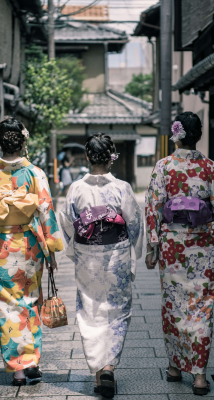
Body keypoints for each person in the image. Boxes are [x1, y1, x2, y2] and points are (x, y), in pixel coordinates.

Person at [145, 112, 214, 396]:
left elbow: (153, 208)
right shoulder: (210, 168)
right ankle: (199, 376)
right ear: (198, 135)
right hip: (203, 248)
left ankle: (175, 367)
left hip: (172, 248)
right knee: (201, 309)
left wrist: (152, 248)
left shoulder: (163, 167)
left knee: (174, 306)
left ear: (175, 135)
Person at [0, 117, 64, 386]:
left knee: (7, 306)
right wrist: (53, 248)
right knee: (30, 300)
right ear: (23, 141)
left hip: (2, 244)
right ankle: (32, 360)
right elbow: (46, 210)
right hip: (31, 244)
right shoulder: (35, 173)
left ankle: (18, 370)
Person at [59, 133, 144, 399]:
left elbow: (66, 222)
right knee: (116, 311)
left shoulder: (76, 189)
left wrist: (75, 247)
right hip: (116, 253)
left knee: (90, 310)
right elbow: (134, 223)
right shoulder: (122, 188)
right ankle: (108, 367)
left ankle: (99, 373)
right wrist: (136, 252)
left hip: (87, 254)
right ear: (111, 157)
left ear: (87, 157)